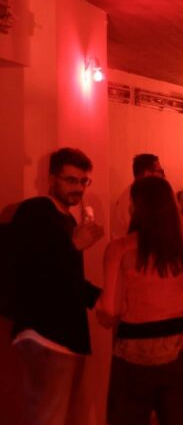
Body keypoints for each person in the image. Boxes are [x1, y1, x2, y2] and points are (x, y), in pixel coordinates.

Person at [10, 148, 104, 425]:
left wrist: (101, 297)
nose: (79, 188)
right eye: (71, 180)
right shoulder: (35, 211)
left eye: (84, 181)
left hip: (67, 337)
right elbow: (30, 270)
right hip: (45, 334)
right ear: (52, 179)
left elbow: (68, 279)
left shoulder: (69, 220)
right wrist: (74, 246)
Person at [97, 176, 183, 425]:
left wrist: (102, 311)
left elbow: (110, 310)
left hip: (134, 355)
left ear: (135, 207)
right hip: (179, 351)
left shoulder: (119, 249)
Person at [112, 153, 165, 239]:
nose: (163, 176)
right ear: (148, 174)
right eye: (161, 172)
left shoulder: (146, 195)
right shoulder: (130, 199)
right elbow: (141, 236)